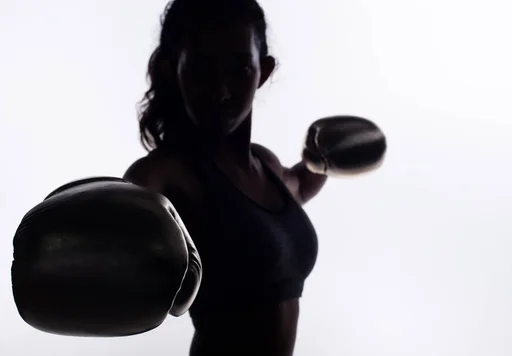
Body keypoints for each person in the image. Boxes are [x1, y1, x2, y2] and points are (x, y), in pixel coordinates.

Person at [11, 0, 386, 355]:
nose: (221, 91)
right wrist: (62, 256)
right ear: (172, 71)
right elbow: (118, 224)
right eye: (201, 69)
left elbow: (296, 188)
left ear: (264, 72)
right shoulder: (167, 174)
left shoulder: (267, 166)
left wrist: (320, 161)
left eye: (239, 69)